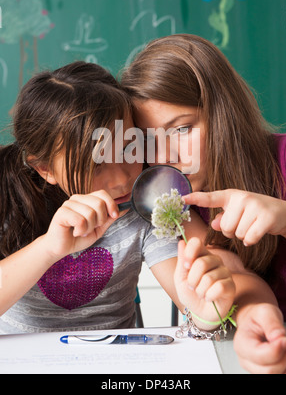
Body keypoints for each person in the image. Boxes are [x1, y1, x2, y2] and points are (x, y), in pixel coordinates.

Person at [0, 60, 234, 334]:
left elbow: (193, 304)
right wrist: (49, 249)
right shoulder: (9, 200)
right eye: (96, 164)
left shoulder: (146, 206)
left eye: (128, 150)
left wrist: (206, 315)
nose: (122, 178)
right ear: (45, 168)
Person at [120, 33, 286, 373]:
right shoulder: (173, 204)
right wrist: (251, 316)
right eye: (150, 141)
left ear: (224, 113)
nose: (167, 157)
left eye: (182, 129)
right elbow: (231, 279)